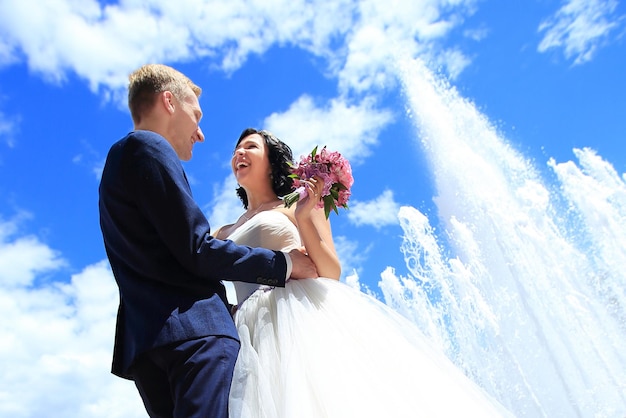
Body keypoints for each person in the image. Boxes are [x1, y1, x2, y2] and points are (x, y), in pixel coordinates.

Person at [215, 128, 515, 418]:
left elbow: (330, 270)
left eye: (251, 147)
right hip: (246, 329)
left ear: (272, 161)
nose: (240, 152)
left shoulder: (297, 203)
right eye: (236, 150)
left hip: (292, 314)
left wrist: (306, 215)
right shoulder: (223, 231)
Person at [98, 65, 316, 418]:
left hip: (146, 344)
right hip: (194, 336)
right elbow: (197, 249)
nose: (200, 134)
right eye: (196, 115)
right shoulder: (149, 147)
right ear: (169, 102)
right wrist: (286, 263)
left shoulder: (114, 165)